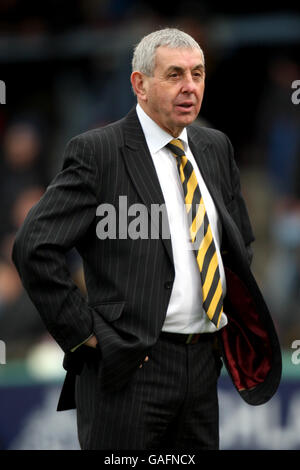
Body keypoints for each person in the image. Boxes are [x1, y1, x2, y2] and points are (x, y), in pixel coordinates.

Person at [12, 28, 282, 450]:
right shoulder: (97, 152)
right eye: (174, 74)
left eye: (198, 73)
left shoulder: (215, 147)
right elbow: (33, 247)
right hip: (128, 367)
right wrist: (86, 336)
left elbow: (238, 246)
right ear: (139, 84)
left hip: (202, 365)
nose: (190, 86)